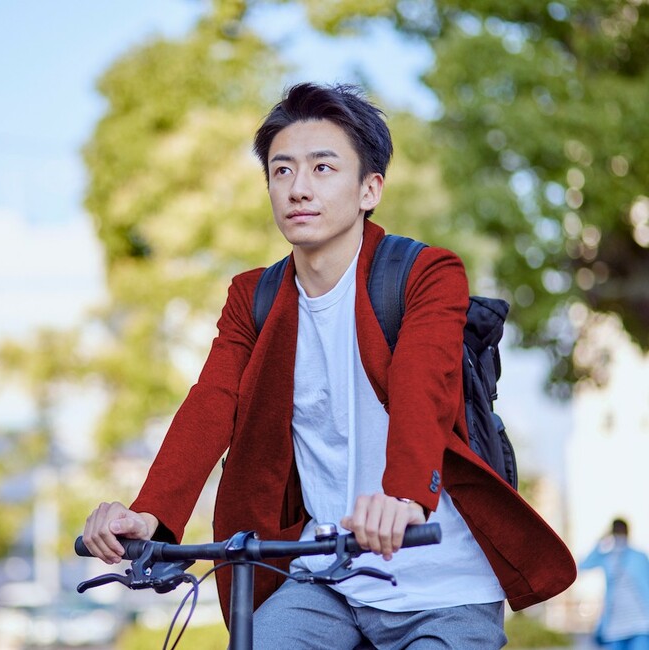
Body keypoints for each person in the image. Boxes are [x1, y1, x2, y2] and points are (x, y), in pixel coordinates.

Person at [83, 82, 576, 648]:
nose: (298, 188)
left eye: (323, 168)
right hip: (327, 580)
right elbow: (212, 401)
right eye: (282, 171)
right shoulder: (253, 297)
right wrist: (150, 516)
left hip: (441, 580)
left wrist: (405, 497)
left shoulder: (425, 274)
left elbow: (425, 384)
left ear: (370, 189)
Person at [580, 518, 649, 649]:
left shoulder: (639, 556)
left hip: (641, 624)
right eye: (616, 532)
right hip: (614, 627)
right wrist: (600, 540)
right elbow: (584, 565)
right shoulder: (607, 557)